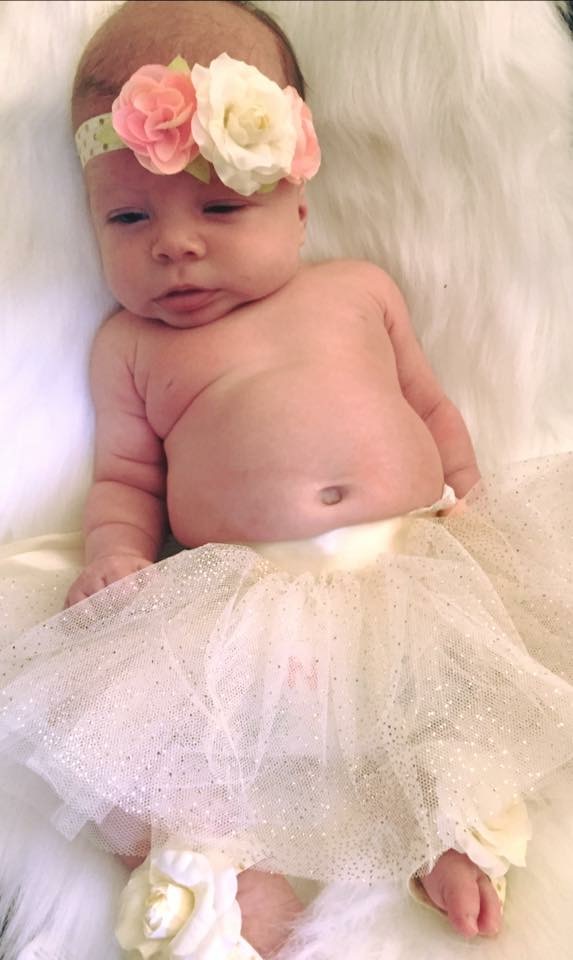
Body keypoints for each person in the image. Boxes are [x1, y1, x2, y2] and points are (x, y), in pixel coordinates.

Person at [1, 2, 573, 958]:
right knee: (162, 740)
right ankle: (221, 867)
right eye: (129, 217)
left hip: (412, 568)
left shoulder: (358, 290)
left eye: (220, 209)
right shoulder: (132, 346)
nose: (174, 245)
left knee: (453, 697)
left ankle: (452, 830)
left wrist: (471, 504)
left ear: (297, 209)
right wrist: (116, 553)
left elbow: (430, 406)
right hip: (243, 601)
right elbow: (126, 476)